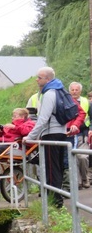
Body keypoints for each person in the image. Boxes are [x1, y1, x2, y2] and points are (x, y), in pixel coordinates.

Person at [23, 67, 68, 208]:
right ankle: (56, 199)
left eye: (39, 77)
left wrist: (29, 137)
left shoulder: (49, 94)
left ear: (47, 79)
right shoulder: (60, 90)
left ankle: (54, 201)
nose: (37, 80)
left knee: (51, 168)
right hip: (61, 133)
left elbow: (42, 119)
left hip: (50, 134)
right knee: (57, 167)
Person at [0, 108, 35, 181]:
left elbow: (25, 132)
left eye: (14, 116)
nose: (12, 118)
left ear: (22, 117)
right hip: (7, 143)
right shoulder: (12, 125)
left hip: (18, 146)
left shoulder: (30, 124)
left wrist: (15, 127)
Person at [68, 82, 89, 189]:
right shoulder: (65, 101)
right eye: (72, 89)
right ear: (69, 90)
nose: (74, 92)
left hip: (83, 134)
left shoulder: (86, 102)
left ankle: (85, 179)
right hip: (69, 134)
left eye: (76, 90)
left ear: (80, 91)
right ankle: (77, 182)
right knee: (72, 158)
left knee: (83, 157)